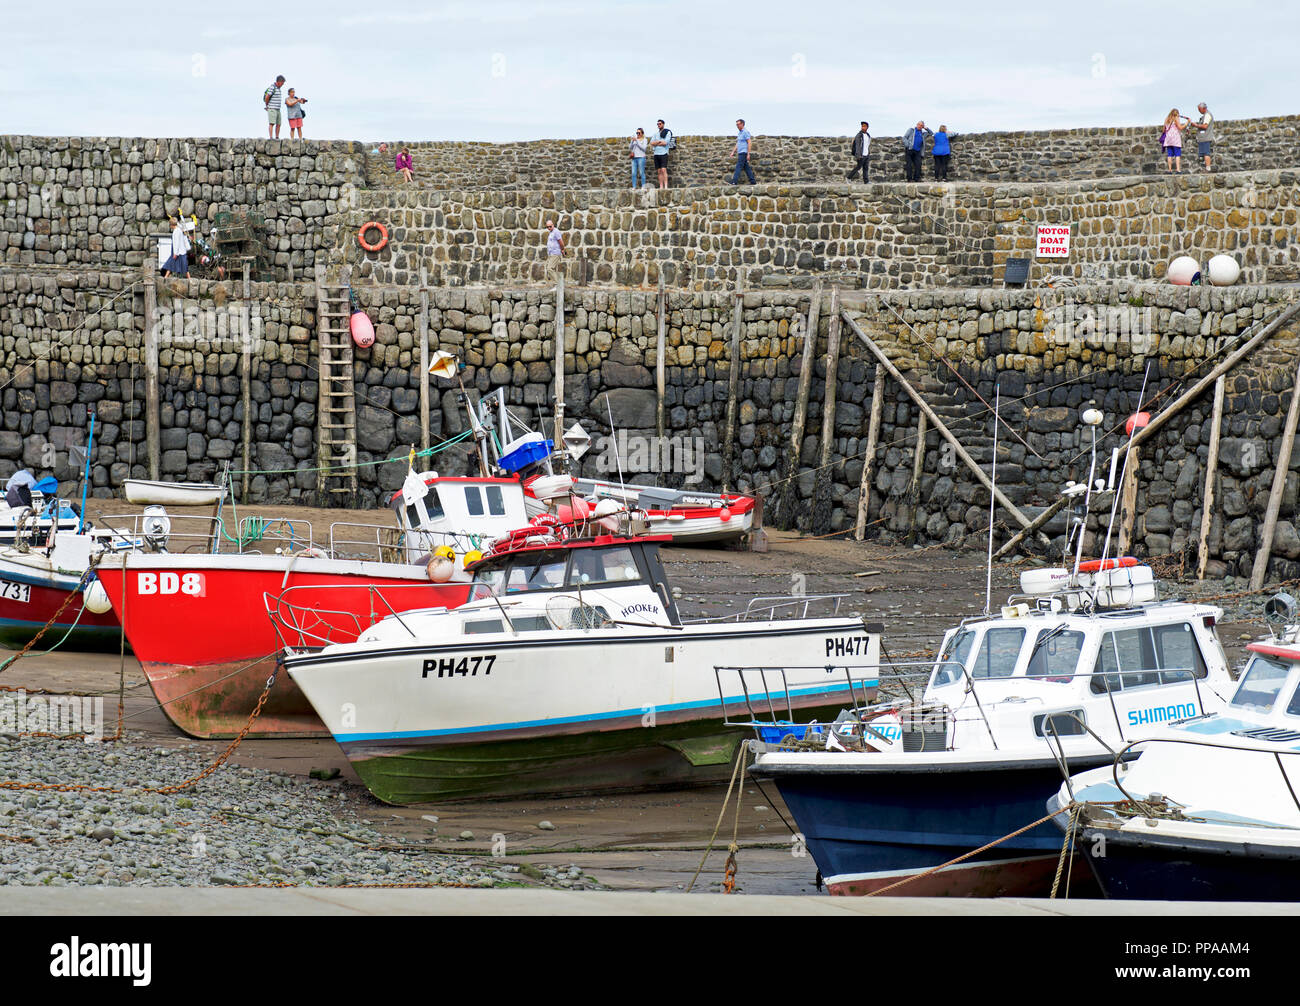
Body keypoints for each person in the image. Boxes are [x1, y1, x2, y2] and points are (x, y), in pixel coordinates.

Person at [1161, 109, 1191, 173]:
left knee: (1169, 155)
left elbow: (1163, 130)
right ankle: (1178, 170)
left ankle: (1170, 170)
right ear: (1177, 113)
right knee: (1177, 154)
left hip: (1168, 139)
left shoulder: (1167, 119)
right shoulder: (1176, 119)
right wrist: (1187, 123)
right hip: (1175, 139)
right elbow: (1180, 127)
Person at [649, 119, 673, 188]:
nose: (658, 125)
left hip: (664, 153)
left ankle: (666, 186)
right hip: (656, 154)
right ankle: (661, 186)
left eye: (660, 124)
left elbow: (665, 143)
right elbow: (651, 143)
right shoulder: (655, 134)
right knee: (659, 171)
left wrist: (656, 142)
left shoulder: (667, 132)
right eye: (658, 124)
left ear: (663, 124)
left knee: (663, 170)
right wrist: (660, 142)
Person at [731, 118, 755, 185]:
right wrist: (733, 151)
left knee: (738, 166)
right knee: (746, 167)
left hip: (744, 152)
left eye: (738, 124)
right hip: (740, 152)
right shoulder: (739, 133)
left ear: (742, 124)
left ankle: (734, 181)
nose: (737, 126)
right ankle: (753, 181)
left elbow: (749, 142)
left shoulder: (745, 132)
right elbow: (738, 143)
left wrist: (748, 154)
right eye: (736, 125)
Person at [1194, 102, 1214, 171]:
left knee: (1206, 153)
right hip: (1203, 138)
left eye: (1199, 109)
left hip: (1206, 137)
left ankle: (1208, 168)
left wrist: (1196, 125)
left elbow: (1205, 126)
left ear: (1204, 108)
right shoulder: (1205, 115)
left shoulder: (1207, 115)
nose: (1199, 111)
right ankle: (1206, 168)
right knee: (1204, 153)